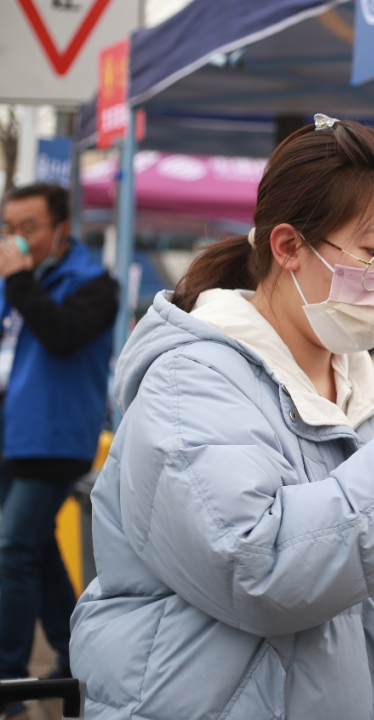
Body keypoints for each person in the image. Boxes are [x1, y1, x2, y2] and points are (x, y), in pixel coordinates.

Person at [69, 115, 374, 720]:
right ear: (289, 246)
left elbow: (346, 582)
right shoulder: (191, 382)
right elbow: (260, 570)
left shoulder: (361, 384)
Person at [0, 183, 116, 710]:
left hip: (58, 439)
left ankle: (10, 678)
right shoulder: (21, 285)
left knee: (12, 550)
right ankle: (73, 656)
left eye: (29, 229)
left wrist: (20, 278)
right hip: (16, 437)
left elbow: (62, 334)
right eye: (10, 229)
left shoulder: (94, 285)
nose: (18, 240)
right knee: (35, 553)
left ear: (61, 230)